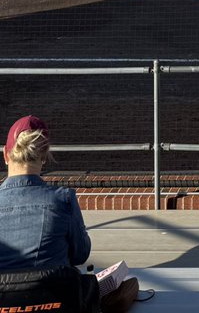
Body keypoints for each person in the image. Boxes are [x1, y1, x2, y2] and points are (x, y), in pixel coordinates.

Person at [0, 115, 138, 312]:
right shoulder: (62, 199)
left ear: (6, 155)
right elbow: (80, 254)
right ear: (44, 157)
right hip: (57, 303)